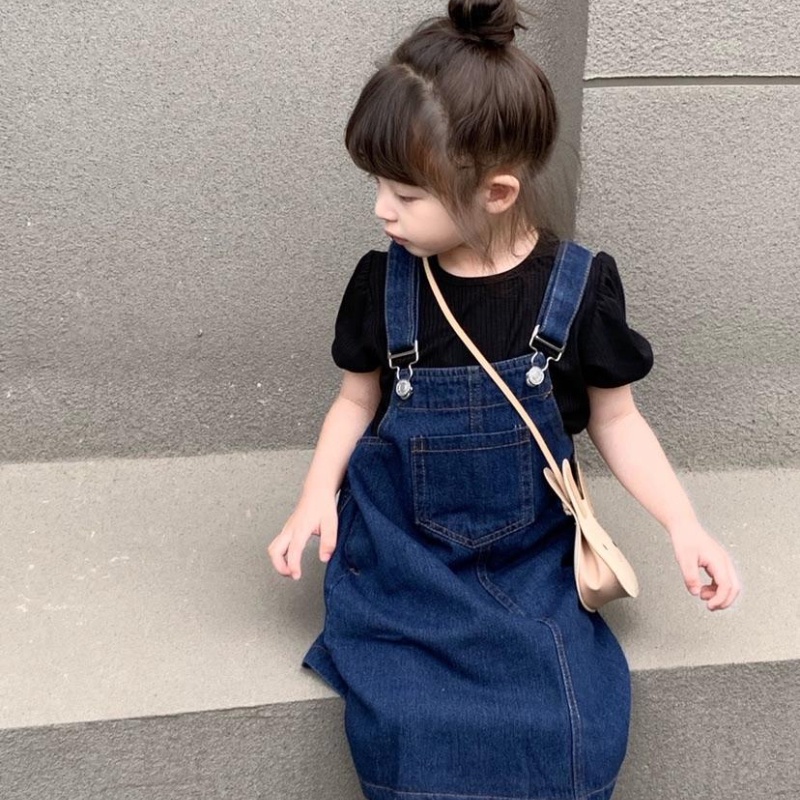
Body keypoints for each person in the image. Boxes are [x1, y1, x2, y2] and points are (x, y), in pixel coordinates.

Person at [268, 1, 740, 798]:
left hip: (529, 558)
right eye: (376, 184)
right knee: (407, 724)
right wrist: (315, 496)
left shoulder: (577, 289)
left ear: (495, 191)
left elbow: (617, 418)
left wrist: (683, 524)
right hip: (406, 557)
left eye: (406, 193)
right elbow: (354, 402)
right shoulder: (385, 283)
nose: (382, 209)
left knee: (570, 723)